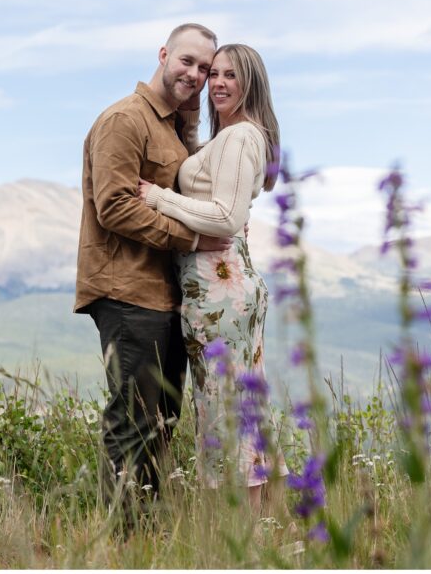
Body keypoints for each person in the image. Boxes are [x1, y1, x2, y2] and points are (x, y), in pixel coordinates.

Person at [74, 23, 232, 528]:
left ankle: (148, 535)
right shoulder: (125, 119)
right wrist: (191, 239)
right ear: (163, 54)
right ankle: (123, 542)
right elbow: (115, 207)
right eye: (187, 61)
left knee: (161, 423)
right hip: (125, 291)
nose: (196, 74)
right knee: (134, 421)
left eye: (205, 69)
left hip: (164, 296)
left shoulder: (171, 128)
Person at [138, 43, 287, 511]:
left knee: (223, 409)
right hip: (230, 287)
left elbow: (225, 216)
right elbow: (208, 173)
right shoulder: (234, 136)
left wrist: (160, 198)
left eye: (231, 75)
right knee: (247, 406)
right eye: (214, 74)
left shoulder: (241, 137)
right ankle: (274, 525)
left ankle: (242, 531)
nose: (218, 82)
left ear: (251, 84)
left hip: (218, 292)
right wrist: (187, 111)